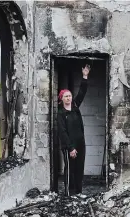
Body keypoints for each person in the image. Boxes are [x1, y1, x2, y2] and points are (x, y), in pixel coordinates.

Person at [57, 64, 90, 196]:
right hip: (69, 146)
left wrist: (85, 76)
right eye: (66, 96)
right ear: (61, 99)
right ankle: (69, 193)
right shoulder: (61, 113)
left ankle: (78, 192)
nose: (69, 98)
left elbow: (82, 92)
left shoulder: (75, 107)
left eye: (70, 96)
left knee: (79, 168)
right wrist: (70, 148)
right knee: (70, 169)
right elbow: (62, 132)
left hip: (80, 143)